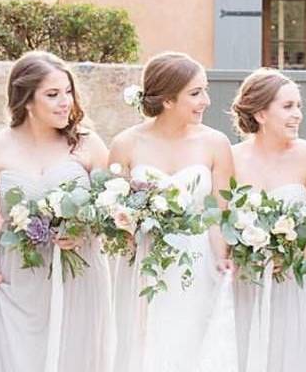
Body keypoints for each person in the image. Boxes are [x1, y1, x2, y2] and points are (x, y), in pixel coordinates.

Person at [0, 51, 111, 372]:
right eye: (52, 95)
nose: (65, 102)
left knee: (73, 353)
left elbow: (110, 205)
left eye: (68, 92)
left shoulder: (88, 145)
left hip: (78, 271)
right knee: (18, 355)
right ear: (26, 101)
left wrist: (84, 229)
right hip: (17, 271)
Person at [109, 51, 237, 372]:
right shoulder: (126, 143)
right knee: (143, 342)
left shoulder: (216, 143)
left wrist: (224, 258)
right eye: (196, 93)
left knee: (193, 342)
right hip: (142, 259)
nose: (206, 100)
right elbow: (111, 210)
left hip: (197, 259)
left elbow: (219, 213)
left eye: (204, 90)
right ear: (167, 100)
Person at [228, 68, 306, 372]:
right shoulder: (231, 158)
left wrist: (293, 254)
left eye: (299, 106)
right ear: (261, 113)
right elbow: (221, 219)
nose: (297, 115)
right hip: (247, 280)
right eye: (288, 107)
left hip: (297, 280)